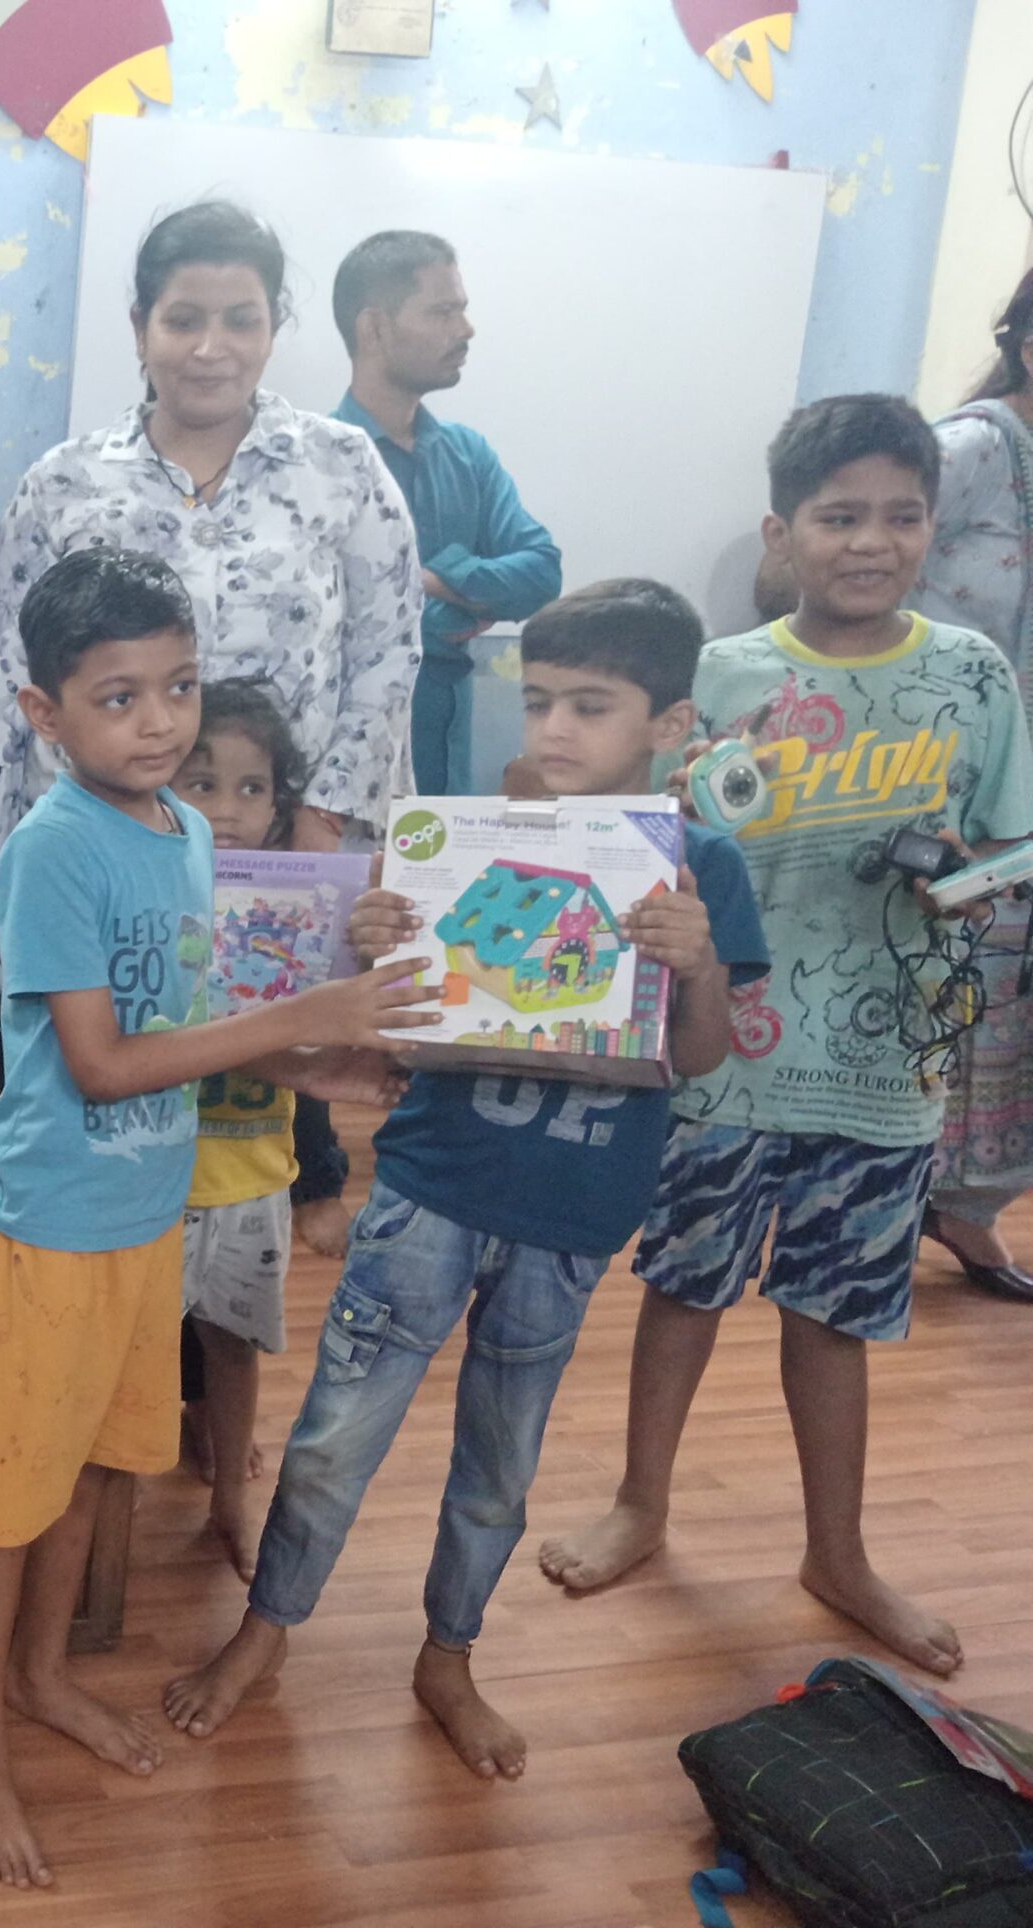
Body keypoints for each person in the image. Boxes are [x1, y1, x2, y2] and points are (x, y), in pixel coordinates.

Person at [167, 579, 767, 1778]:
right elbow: (396, 1010)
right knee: (333, 1436)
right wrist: (377, 934)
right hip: (430, 1187)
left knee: (500, 1464)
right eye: (538, 700)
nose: (554, 728)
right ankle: (264, 1631)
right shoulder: (467, 838)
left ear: (670, 723)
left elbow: (701, 1056)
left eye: (590, 705)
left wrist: (697, 967)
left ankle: (450, 1654)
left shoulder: (701, 867)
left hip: (571, 1213)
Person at [0, 548, 428, 1890]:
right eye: (118, 697)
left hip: (149, 1206)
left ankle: (42, 1674)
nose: (157, 722)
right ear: (44, 714)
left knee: (104, 1464)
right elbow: (100, 1064)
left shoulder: (186, 833)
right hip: (58, 1217)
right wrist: (299, 1016)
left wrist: (316, 1064)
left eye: (178, 686)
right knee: (13, 1493)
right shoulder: (53, 848)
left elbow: (179, 1026)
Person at [538, 398, 1033, 1678]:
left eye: (900, 516)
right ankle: (641, 1501)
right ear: (781, 532)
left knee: (837, 1310)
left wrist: (967, 879)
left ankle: (838, 1551)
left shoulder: (974, 674)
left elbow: (1008, 840)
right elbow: (626, 829)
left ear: (933, 526)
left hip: (886, 1065)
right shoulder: (717, 678)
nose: (870, 542)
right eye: (838, 516)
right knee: (683, 1283)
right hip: (725, 1055)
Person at [0, 199, 424, 1267]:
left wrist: (322, 820)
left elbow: (389, 655)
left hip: (278, 837)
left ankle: (228, 1320)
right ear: (140, 326)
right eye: (183, 319)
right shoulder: (65, 480)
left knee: (261, 1078)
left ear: (274, 326)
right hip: (107, 849)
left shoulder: (341, 466)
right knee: (126, 1053)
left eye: (240, 320)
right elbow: (4, 677)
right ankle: (110, 1276)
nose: (211, 348)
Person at [329, 230, 561, 795]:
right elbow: (333, 619)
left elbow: (541, 572)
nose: (465, 329)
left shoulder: (466, 454)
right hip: (340, 767)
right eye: (442, 312)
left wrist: (432, 578)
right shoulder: (320, 463)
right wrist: (464, 595)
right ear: (374, 328)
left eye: (462, 309)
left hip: (446, 762)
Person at [172, 678, 316, 1582]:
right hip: (155, 1178)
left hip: (254, 1173)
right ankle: (116, 1494)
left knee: (234, 1343)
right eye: (202, 782)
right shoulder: (145, 891)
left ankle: (231, 1497)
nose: (227, 809)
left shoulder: (299, 910)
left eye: (251, 787)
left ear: (277, 804)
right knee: (136, 1353)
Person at [915, 269, 1033, 1299]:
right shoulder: (977, 448)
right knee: (941, 990)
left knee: (999, 1007)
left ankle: (962, 1203)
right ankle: (888, 1193)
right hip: (940, 782)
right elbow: (843, 545)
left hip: (1018, 785)